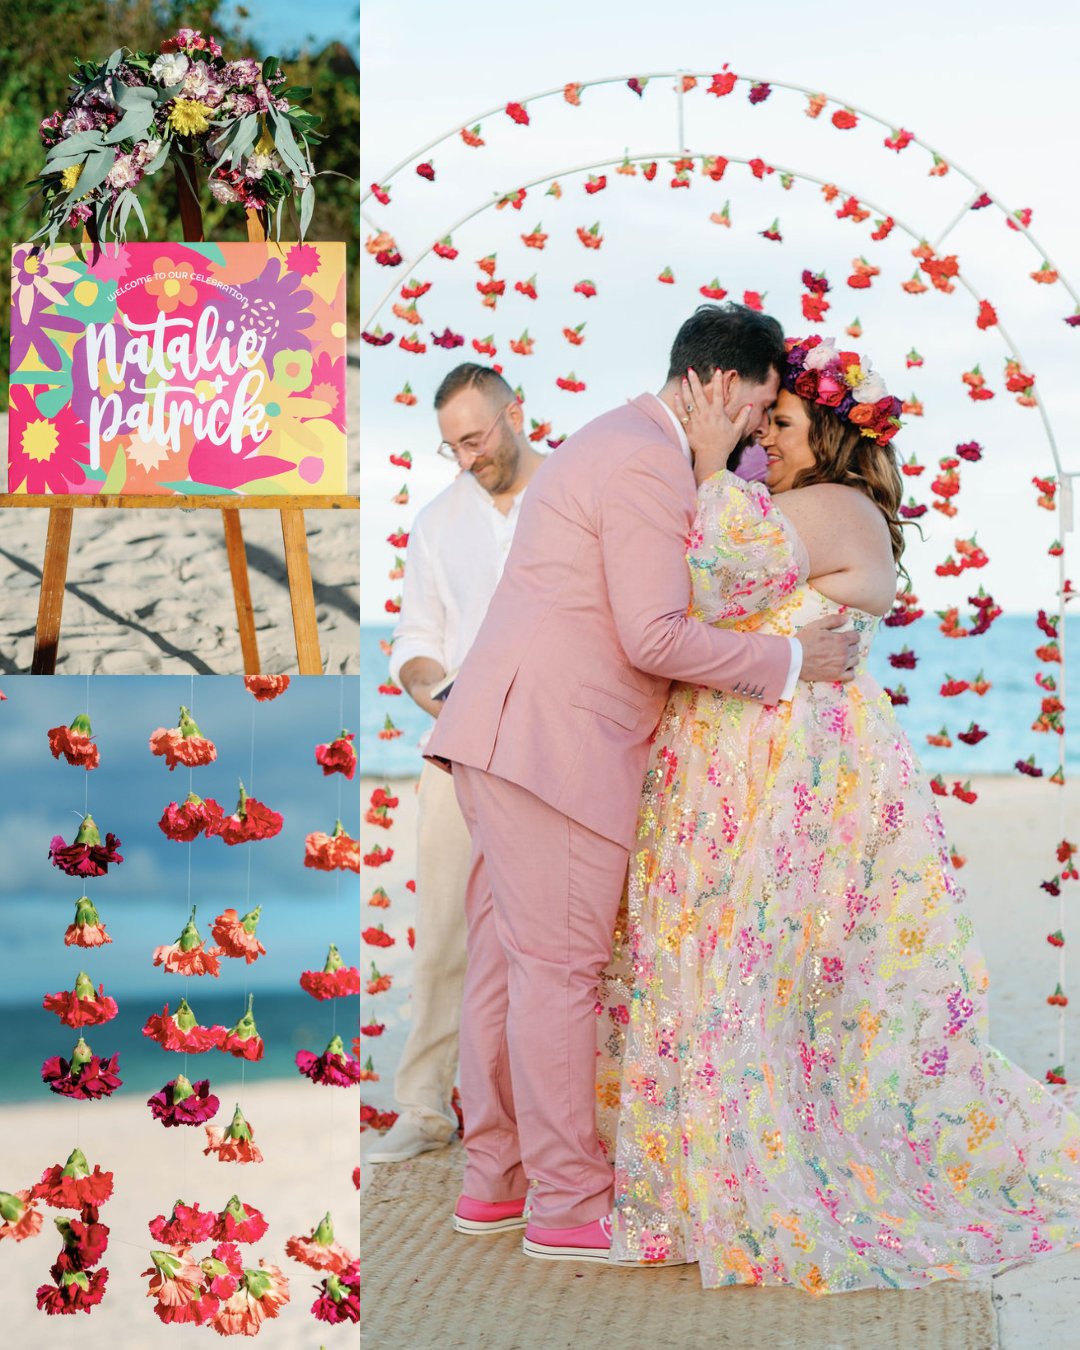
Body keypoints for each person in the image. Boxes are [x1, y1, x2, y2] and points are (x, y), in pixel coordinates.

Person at [598, 334, 1080, 1291]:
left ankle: (740, 1159)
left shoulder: (821, 507)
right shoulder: (801, 506)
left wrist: (697, 457)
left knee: (744, 959)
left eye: (778, 424)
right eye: (758, 422)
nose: (759, 440)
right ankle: (710, 1152)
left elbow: (694, 576)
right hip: (752, 756)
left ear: (826, 430)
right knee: (757, 966)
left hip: (783, 766)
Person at [425, 304, 861, 1258]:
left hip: (508, 736)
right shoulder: (640, 459)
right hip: (552, 749)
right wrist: (791, 663)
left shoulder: (624, 442)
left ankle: (495, 1181)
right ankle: (569, 1207)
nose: (758, 429)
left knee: (509, 968)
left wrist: (706, 474)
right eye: (759, 406)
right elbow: (653, 634)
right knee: (558, 977)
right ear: (723, 384)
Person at [365, 363, 546, 1165]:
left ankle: (558, 1113)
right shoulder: (437, 524)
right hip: (457, 750)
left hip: (555, 754)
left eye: (476, 438)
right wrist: (435, 692)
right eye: (451, 446)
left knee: (561, 943)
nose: (467, 457)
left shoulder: (573, 498)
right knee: (441, 931)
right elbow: (415, 640)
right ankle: (424, 1104)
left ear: (517, 415)